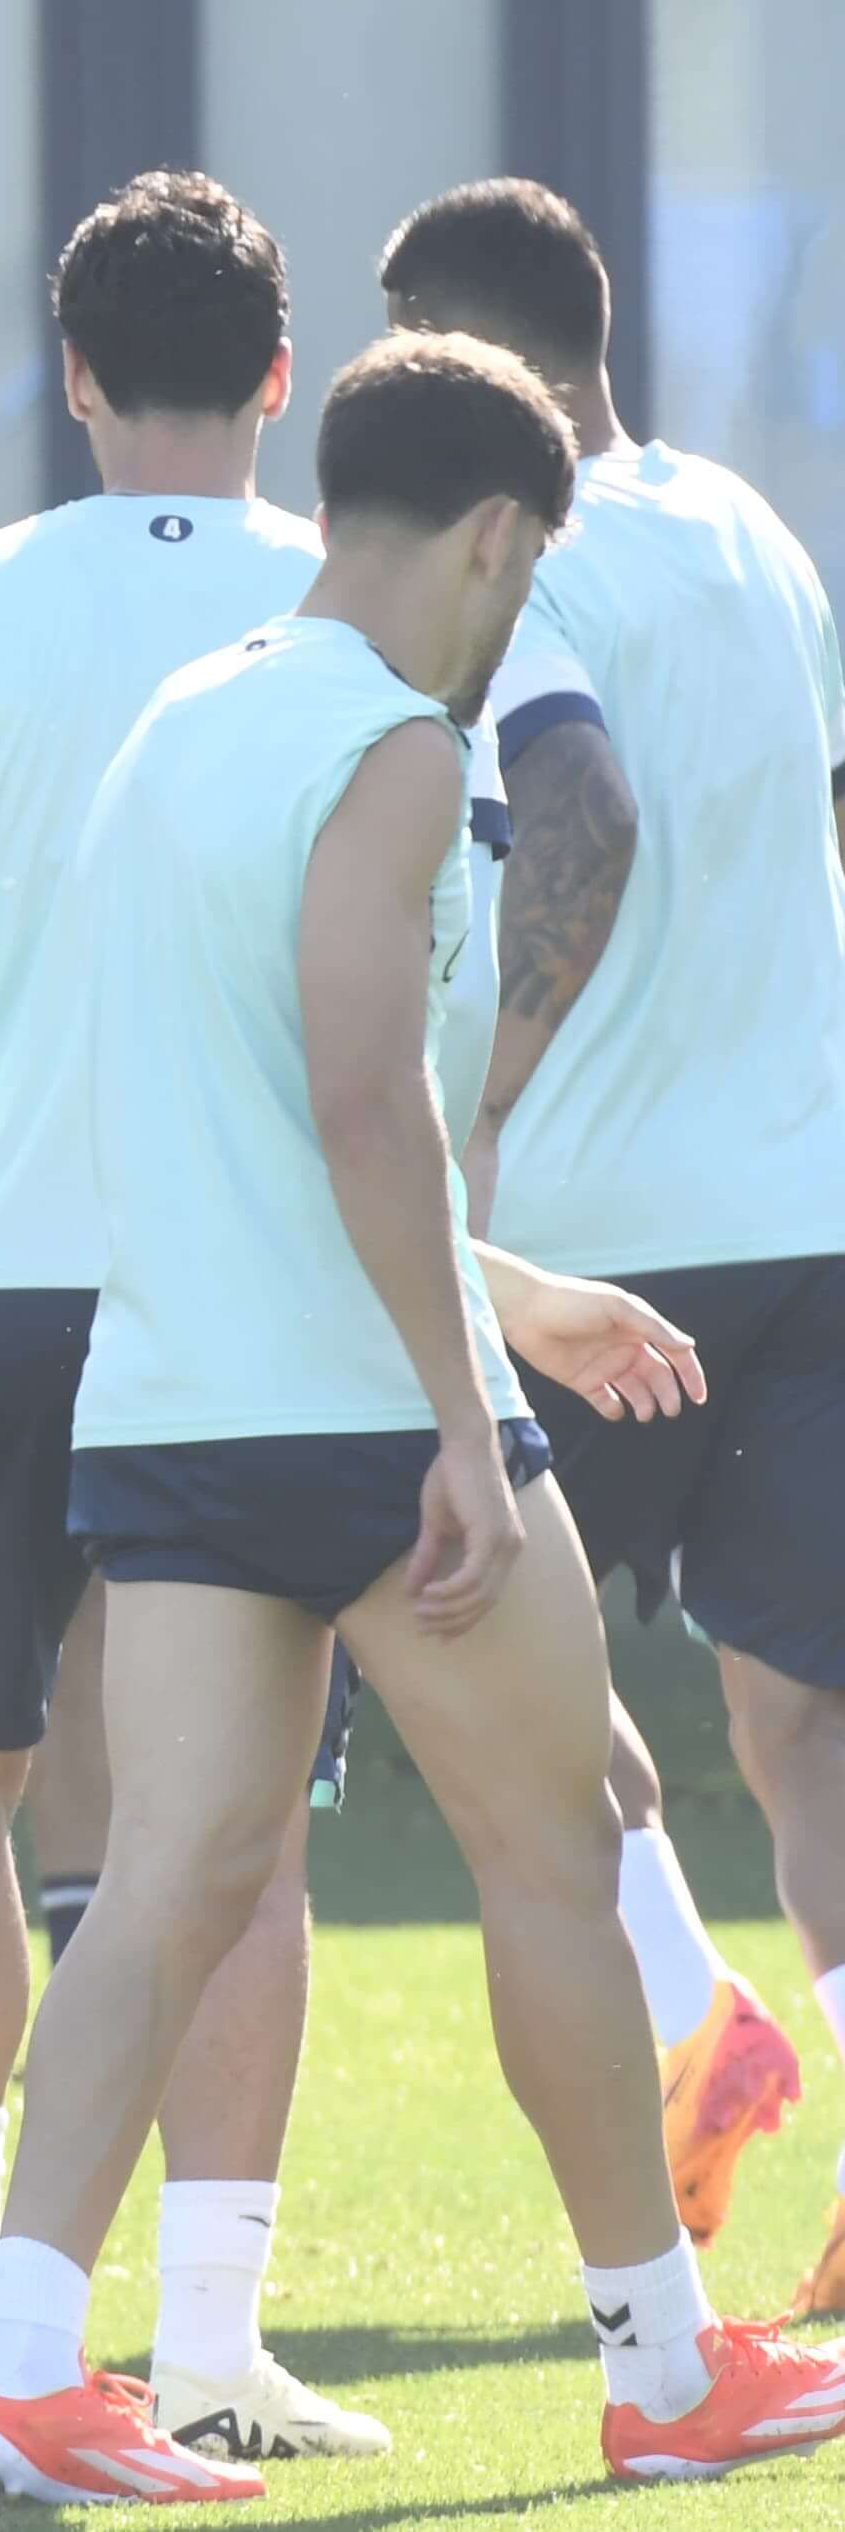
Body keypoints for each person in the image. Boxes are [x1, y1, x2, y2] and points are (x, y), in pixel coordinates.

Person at [0, 329, 845, 2501]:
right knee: (562, 1846)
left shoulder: (183, 716)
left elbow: (263, 1106)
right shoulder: (398, 755)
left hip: (167, 1399)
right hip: (354, 1413)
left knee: (163, 1876)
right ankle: (656, 2364)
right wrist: (463, 1408)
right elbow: (358, 1100)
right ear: (505, 534)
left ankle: (23, 2362)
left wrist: (517, 1300)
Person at [0, 173, 381, 2464]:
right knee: (238, 1828)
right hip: (239, 1278)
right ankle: (206, 2344)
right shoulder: (347, 592)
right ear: (278, 375)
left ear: (66, 374)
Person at [380, 180, 845, 2293]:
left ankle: (690, 2014)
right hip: (809, 1206)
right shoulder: (749, 524)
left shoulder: (522, 554)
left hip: (593, 1241)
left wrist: (476, 1099)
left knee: (479, 1658)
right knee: (806, 1716)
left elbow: (575, 808)